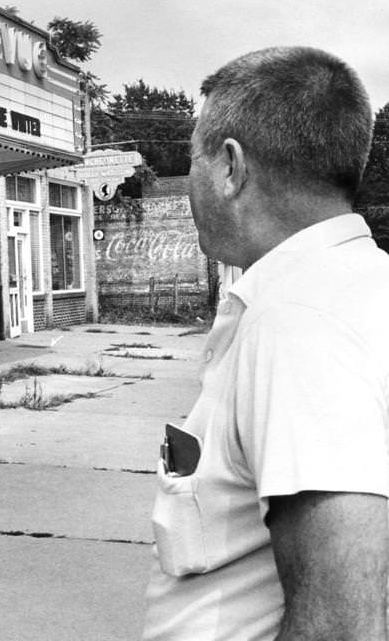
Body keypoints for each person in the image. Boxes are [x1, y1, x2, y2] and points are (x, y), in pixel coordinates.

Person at [142, 46, 389, 640]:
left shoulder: (301, 321)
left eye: (193, 156)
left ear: (230, 165)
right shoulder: (360, 287)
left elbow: (345, 625)